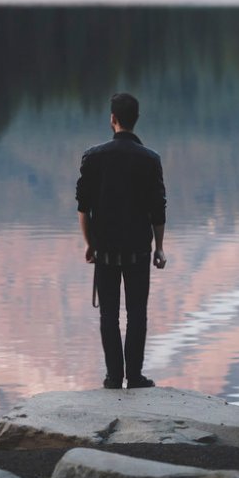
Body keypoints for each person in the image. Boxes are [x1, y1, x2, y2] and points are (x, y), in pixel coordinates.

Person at [76, 91, 167, 389]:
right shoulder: (150, 160)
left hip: (105, 249)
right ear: (135, 120)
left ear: (112, 119)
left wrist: (89, 244)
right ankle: (136, 376)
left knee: (109, 314)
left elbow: (83, 207)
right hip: (139, 250)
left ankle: (114, 377)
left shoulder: (93, 157)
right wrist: (159, 248)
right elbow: (158, 209)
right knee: (137, 313)